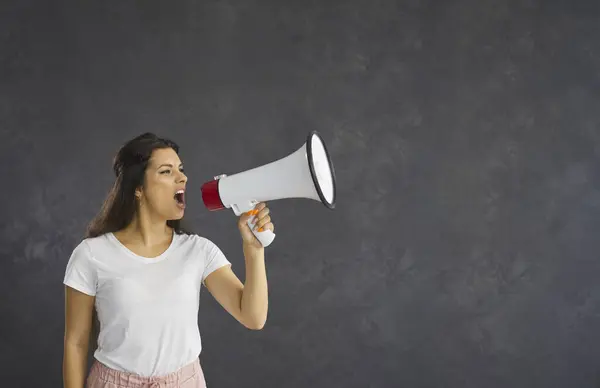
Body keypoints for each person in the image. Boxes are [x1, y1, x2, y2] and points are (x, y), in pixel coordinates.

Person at [62, 133, 274, 388]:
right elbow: (76, 342)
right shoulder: (91, 255)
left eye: (181, 169)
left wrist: (254, 249)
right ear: (138, 188)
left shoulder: (198, 251)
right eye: (166, 171)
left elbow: (253, 317)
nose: (182, 177)